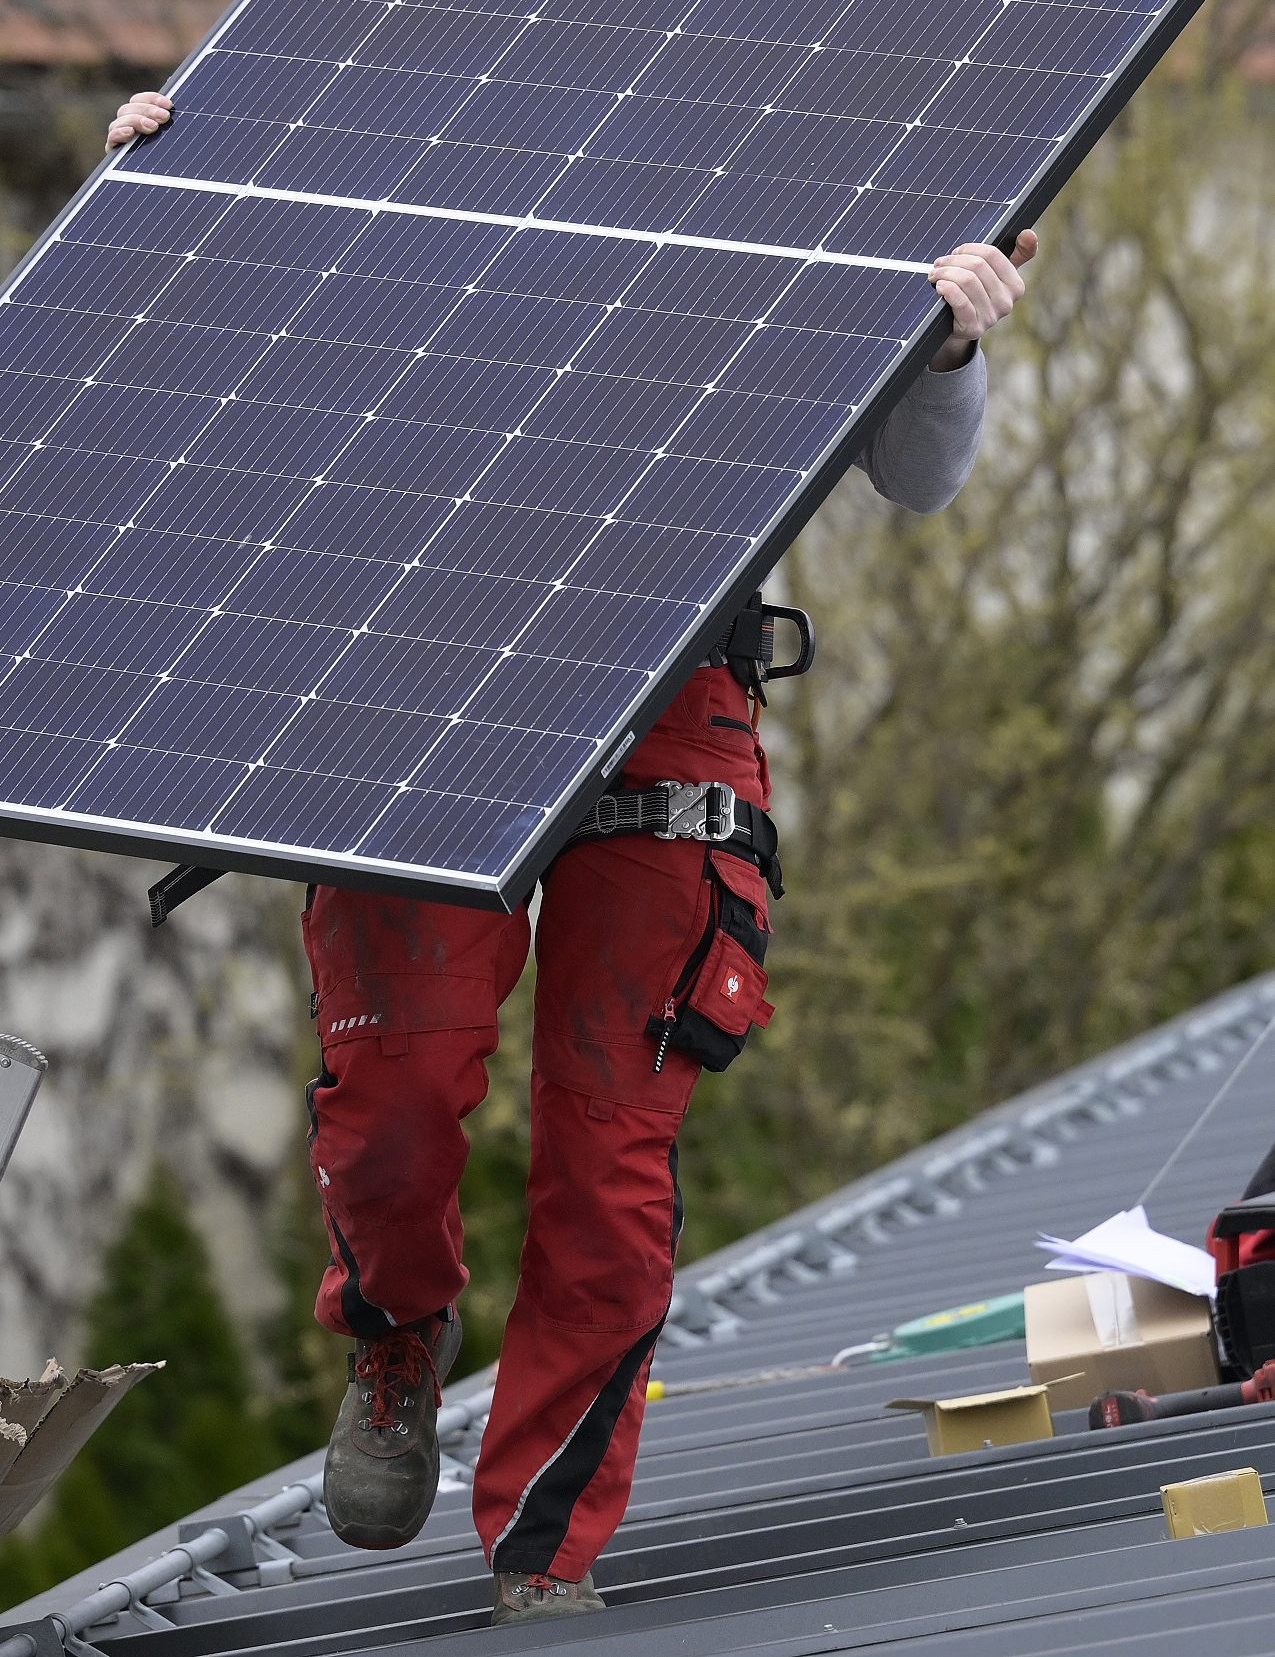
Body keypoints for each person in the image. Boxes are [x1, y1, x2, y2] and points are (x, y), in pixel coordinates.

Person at [107, 89, 1036, 1627]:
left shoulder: (831, 147)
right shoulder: (414, 88)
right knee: (396, 1101)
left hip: (667, 685)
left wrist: (948, 343)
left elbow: (920, 479)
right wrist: (165, 198)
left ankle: (548, 1546)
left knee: (610, 1161)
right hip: (404, 671)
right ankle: (399, 1341)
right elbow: (191, 366)